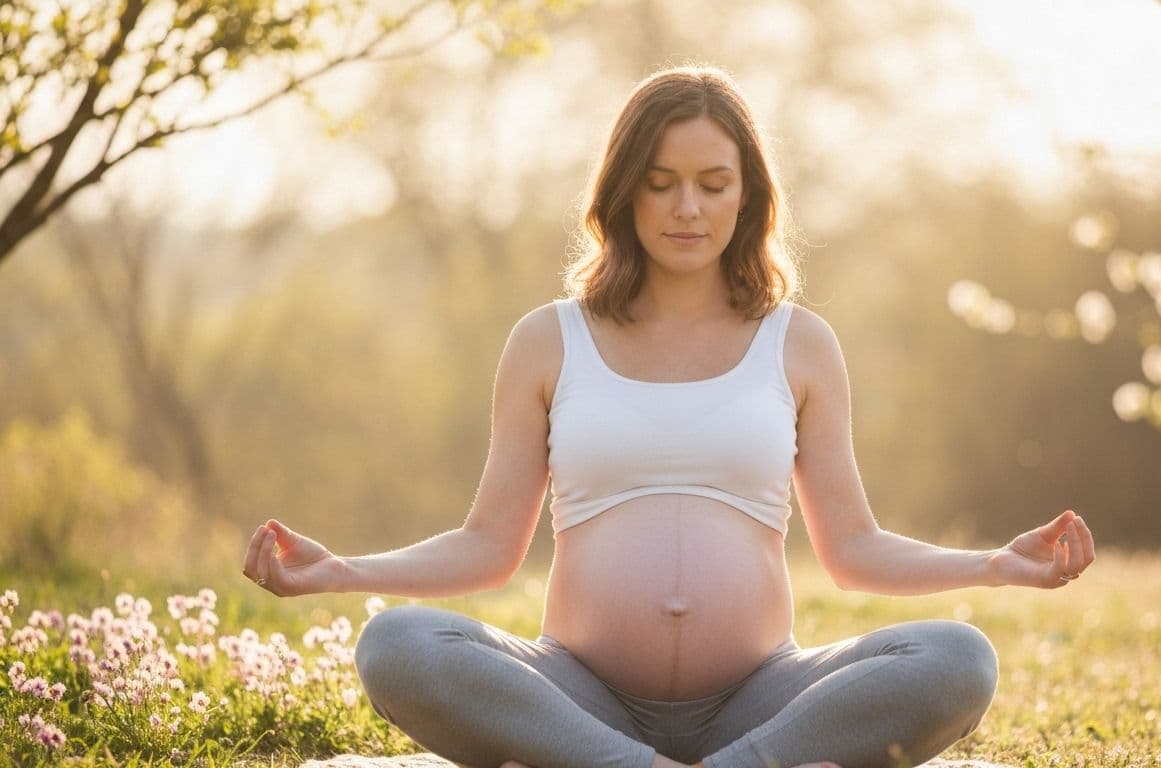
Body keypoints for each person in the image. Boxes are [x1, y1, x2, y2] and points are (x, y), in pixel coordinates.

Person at [240, 64, 1096, 768]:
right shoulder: (548, 340)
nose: (688, 208)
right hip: (579, 697)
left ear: (747, 197)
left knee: (958, 661)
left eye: (713, 185)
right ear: (624, 194)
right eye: (661, 185)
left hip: (762, 699)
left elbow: (854, 549)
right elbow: (488, 546)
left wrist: (994, 564)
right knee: (397, 646)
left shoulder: (799, 343)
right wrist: (341, 571)